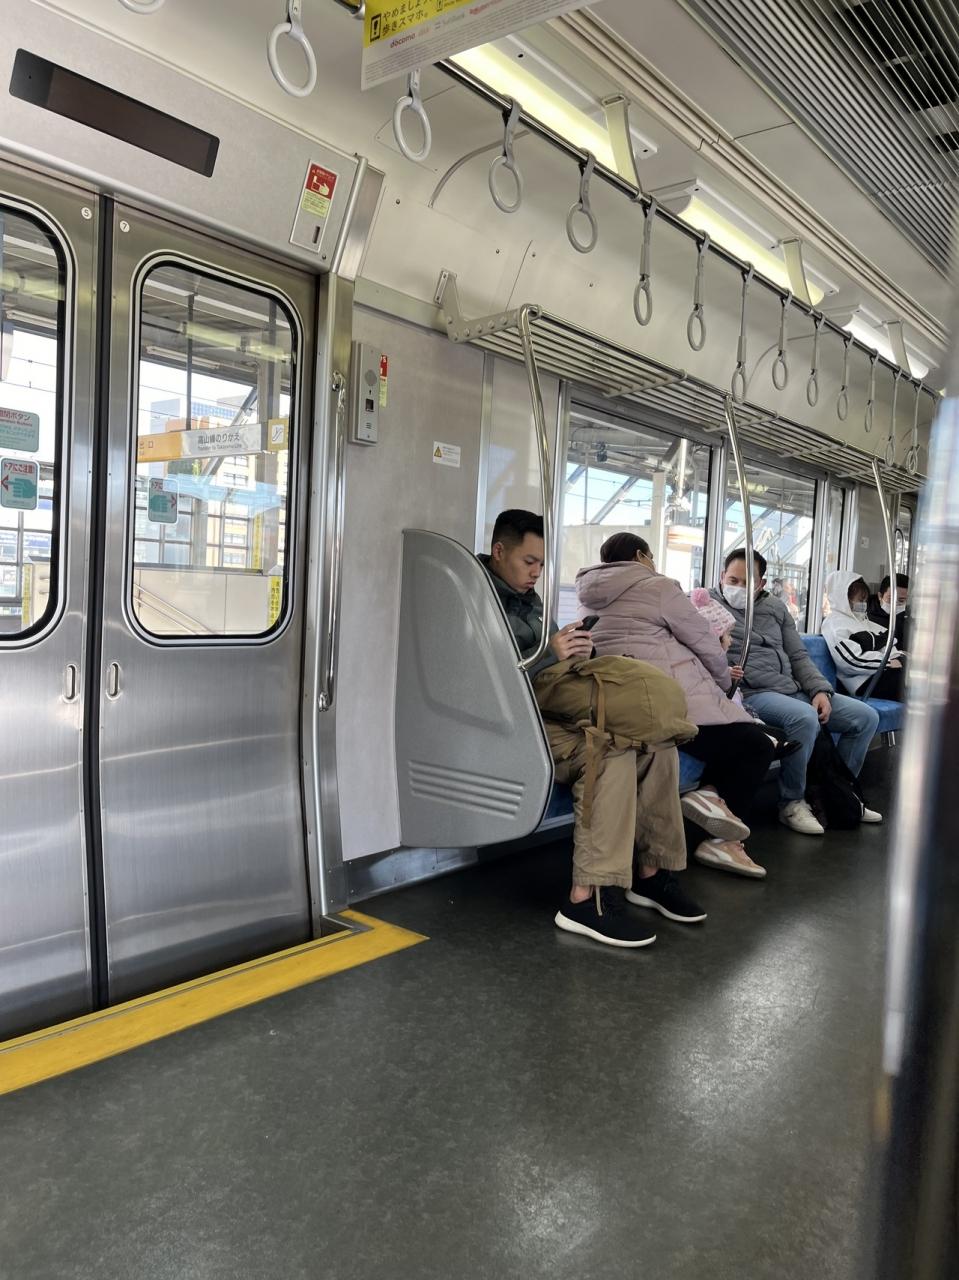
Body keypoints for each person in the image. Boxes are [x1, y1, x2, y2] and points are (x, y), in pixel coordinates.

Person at [480, 510, 705, 949]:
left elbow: (548, 667)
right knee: (608, 749)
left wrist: (577, 651)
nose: (536, 572)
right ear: (499, 551)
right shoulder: (478, 602)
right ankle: (586, 899)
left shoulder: (530, 601)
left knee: (657, 743)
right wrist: (550, 653)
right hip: (514, 721)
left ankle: (651, 873)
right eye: (529, 562)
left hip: (550, 710)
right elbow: (484, 681)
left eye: (542, 564)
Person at [576, 532, 774, 879]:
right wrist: (724, 683)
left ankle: (710, 798)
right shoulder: (659, 587)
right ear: (641, 556)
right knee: (758, 745)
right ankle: (718, 840)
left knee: (747, 738)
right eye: (651, 556)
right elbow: (703, 640)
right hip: (666, 699)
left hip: (619, 702)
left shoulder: (587, 594)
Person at [711, 549, 882, 836]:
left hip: (792, 687)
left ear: (761, 584)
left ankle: (838, 793)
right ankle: (792, 802)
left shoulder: (776, 608)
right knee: (803, 717)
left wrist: (819, 690)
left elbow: (798, 655)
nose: (738, 588)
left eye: (747, 583)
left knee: (865, 717)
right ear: (721, 577)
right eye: (733, 580)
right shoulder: (708, 606)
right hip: (752, 691)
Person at [822, 570, 906, 701]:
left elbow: (887, 643)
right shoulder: (835, 624)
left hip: (879, 673)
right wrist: (887, 663)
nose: (864, 604)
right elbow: (851, 660)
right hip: (863, 682)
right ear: (844, 598)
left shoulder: (863, 621)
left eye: (865, 600)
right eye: (860, 600)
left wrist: (899, 657)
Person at [868, 572, 910, 649]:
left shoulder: (909, 619)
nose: (895, 604)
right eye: (891, 599)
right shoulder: (865, 615)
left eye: (901, 600)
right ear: (880, 596)